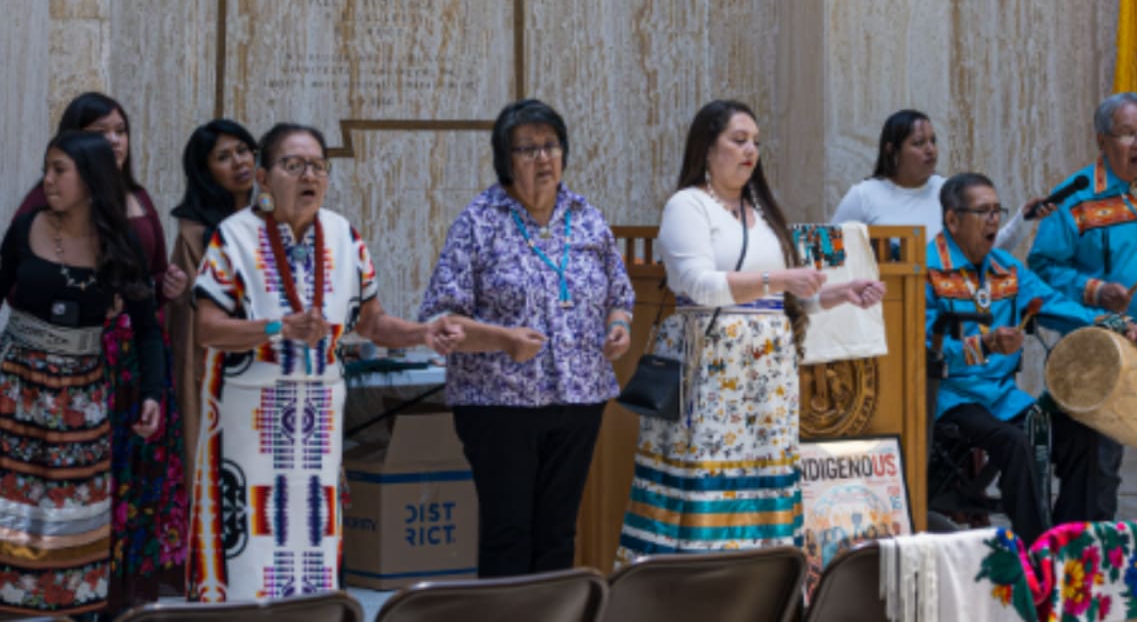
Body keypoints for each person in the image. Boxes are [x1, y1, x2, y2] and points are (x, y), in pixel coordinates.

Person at [185, 123, 463, 602]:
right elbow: (207, 329)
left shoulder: (344, 237)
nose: (308, 174)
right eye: (294, 165)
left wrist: (422, 332)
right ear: (265, 179)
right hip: (249, 420)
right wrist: (278, 328)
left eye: (317, 165)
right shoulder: (232, 238)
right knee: (252, 546)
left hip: (317, 422)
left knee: (312, 543)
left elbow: (372, 323)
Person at [617, 99, 885, 561]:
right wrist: (781, 280)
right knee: (706, 480)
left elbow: (778, 302)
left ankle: (761, 593)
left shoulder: (761, 211)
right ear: (707, 146)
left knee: (765, 483)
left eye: (756, 143)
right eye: (738, 140)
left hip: (766, 381)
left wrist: (839, 294)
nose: (750, 151)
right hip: (712, 375)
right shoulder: (688, 205)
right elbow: (697, 285)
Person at [419, 99, 635, 578]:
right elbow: (442, 319)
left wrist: (618, 326)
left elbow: (620, 294)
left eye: (551, 145)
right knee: (509, 533)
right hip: (499, 405)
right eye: (528, 148)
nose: (543, 158)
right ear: (505, 159)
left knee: (558, 533)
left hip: (579, 398)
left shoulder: (587, 218)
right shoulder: (479, 220)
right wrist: (501, 339)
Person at [13, 92, 187, 608]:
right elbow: (15, 288)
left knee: (107, 496)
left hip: (114, 370)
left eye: (120, 130)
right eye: (100, 131)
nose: (114, 141)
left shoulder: (130, 216)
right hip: (47, 375)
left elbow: (147, 299)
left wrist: (165, 285)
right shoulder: (35, 214)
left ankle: (105, 603)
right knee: (45, 500)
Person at [926, 172, 1137, 544]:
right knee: (1016, 441)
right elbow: (922, 346)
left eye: (997, 211)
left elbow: (1056, 304)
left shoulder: (1005, 269)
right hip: (950, 396)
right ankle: (1035, 554)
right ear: (952, 219)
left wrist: (1116, 323)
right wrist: (983, 345)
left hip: (1001, 396)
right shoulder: (926, 270)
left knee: (1081, 434)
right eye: (982, 212)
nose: (994, 220)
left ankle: (1066, 543)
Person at [1028, 93, 1137, 519]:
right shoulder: (1078, 198)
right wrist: (1094, 290)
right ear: (1102, 141)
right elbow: (1042, 269)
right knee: (1100, 466)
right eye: (1126, 133)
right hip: (1108, 345)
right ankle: (1100, 566)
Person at [166, 119, 258, 488]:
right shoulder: (195, 234)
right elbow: (187, 320)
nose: (239, 162)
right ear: (205, 173)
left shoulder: (277, 215)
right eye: (223, 157)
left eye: (243, 150)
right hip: (222, 371)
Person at [832, 109, 1048, 250]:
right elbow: (826, 252)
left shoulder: (949, 191)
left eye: (933, 141)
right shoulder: (863, 195)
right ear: (892, 150)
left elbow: (982, 249)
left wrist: (1023, 219)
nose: (930, 150)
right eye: (918, 143)